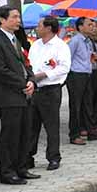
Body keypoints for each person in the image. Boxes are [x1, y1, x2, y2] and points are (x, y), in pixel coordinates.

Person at [0, 6, 37, 185]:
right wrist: (23, 83)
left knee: (24, 133)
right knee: (10, 135)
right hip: (8, 95)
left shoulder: (15, 39)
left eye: (18, 17)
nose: (18, 20)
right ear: (2, 19)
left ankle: (21, 168)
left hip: (23, 95)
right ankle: (7, 172)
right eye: (14, 17)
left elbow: (25, 64)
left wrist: (31, 80)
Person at [26, 15, 71, 171]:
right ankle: (28, 156)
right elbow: (30, 64)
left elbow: (64, 67)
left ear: (48, 28)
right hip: (34, 89)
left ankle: (53, 157)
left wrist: (44, 75)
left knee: (51, 125)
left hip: (50, 89)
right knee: (31, 124)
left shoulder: (60, 46)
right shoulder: (36, 45)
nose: (37, 28)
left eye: (39, 26)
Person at [66, 17, 97, 145]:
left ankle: (90, 131)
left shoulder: (88, 41)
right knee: (76, 106)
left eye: (92, 25)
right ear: (80, 27)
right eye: (89, 25)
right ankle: (74, 134)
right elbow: (67, 58)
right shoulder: (75, 41)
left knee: (87, 104)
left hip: (87, 74)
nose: (92, 27)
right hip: (76, 75)